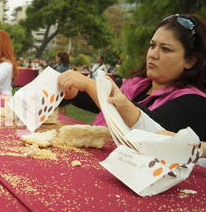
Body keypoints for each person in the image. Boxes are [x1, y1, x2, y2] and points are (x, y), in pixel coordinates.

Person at [59, 14, 206, 141]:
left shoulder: (194, 103)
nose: (153, 54)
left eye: (166, 49)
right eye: (152, 45)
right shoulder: (132, 85)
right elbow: (92, 100)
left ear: (190, 60)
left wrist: (92, 86)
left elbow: (150, 128)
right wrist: (74, 92)